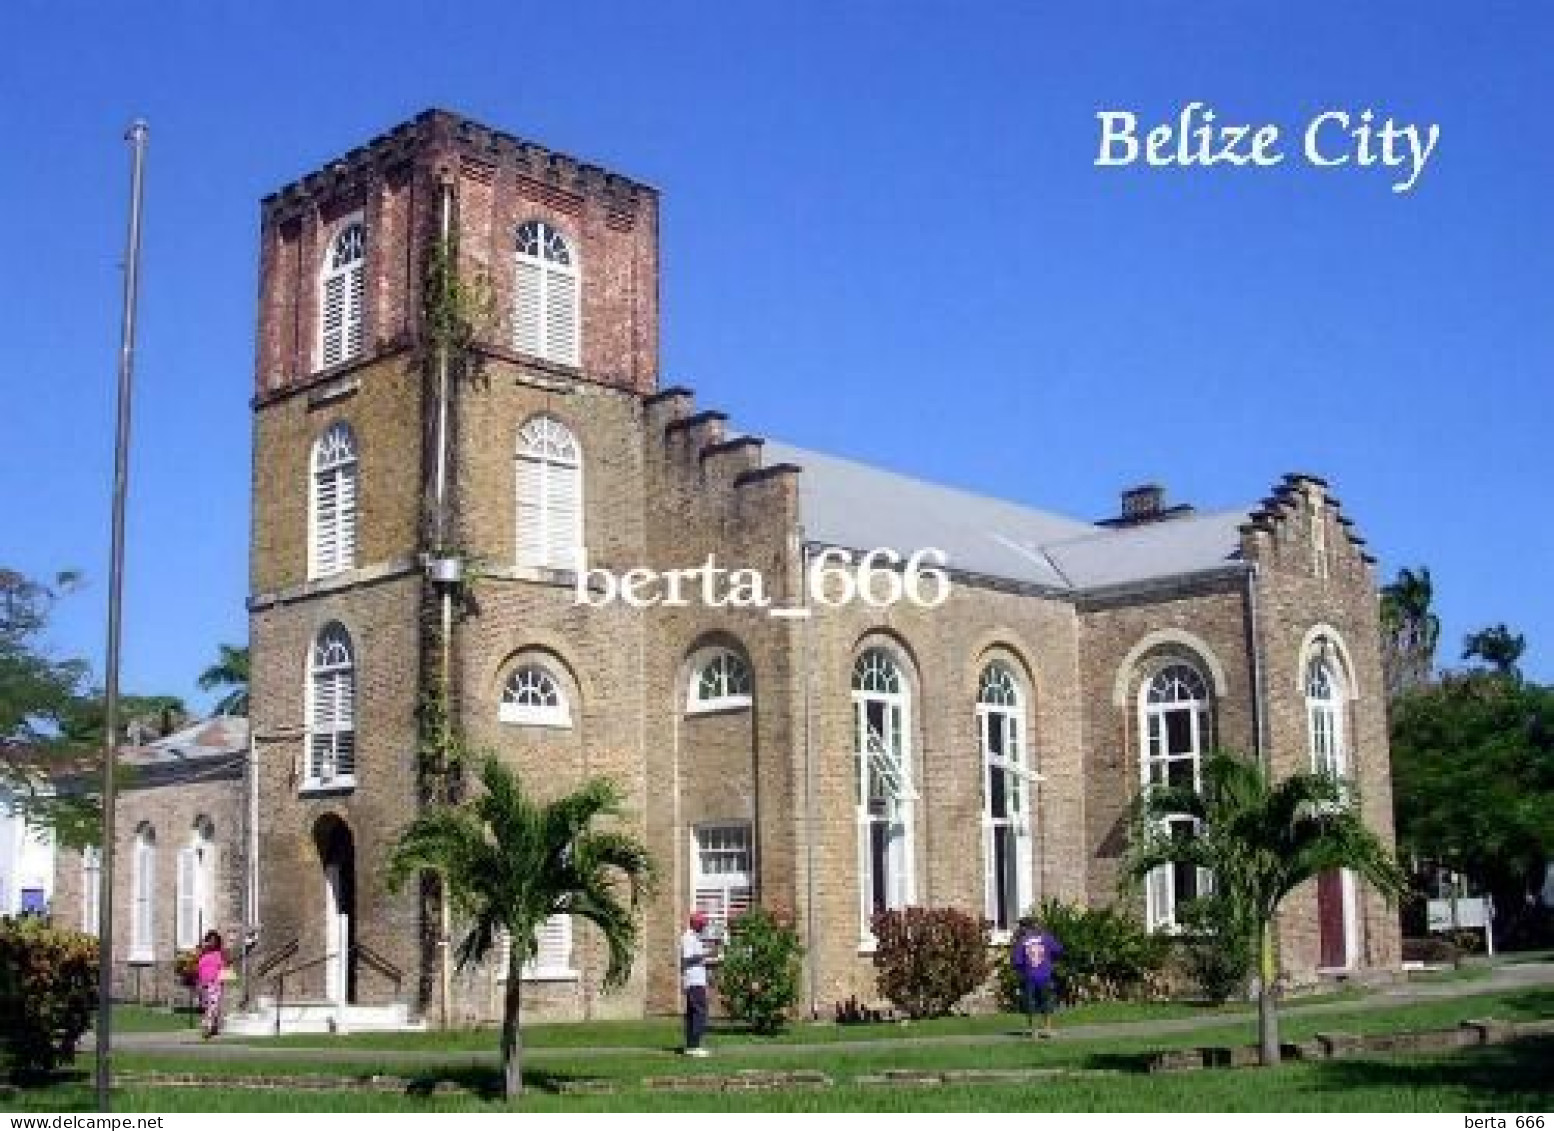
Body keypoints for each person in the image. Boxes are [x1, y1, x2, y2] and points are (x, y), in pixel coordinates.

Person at [1011, 916, 1063, 1038]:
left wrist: (1021, 972)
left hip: (1029, 976)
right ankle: (1047, 1029)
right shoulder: (1046, 938)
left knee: (1030, 1003)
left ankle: (1033, 1030)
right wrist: (1050, 961)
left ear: (1025, 928)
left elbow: (1017, 961)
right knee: (1047, 1002)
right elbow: (1058, 950)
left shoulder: (1021, 941)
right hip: (1044, 975)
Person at [680, 910, 710, 1056]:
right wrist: (704, 955)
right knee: (699, 1012)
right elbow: (687, 959)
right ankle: (695, 1046)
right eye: (702, 924)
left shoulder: (696, 938)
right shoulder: (688, 937)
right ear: (696, 924)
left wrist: (710, 959)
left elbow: (697, 959)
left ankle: (691, 1045)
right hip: (693, 981)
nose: (704, 927)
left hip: (698, 980)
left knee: (693, 1013)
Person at [195, 930, 227, 1039]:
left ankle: (207, 1029)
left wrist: (222, 981)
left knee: (212, 1007)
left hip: (215, 983)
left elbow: (223, 968)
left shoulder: (220, 954)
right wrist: (198, 982)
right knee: (206, 1006)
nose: (212, 942)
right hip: (203, 983)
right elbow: (198, 968)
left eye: (214, 941)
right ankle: (214, 1027)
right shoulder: (202, 954)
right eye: (210, 940)